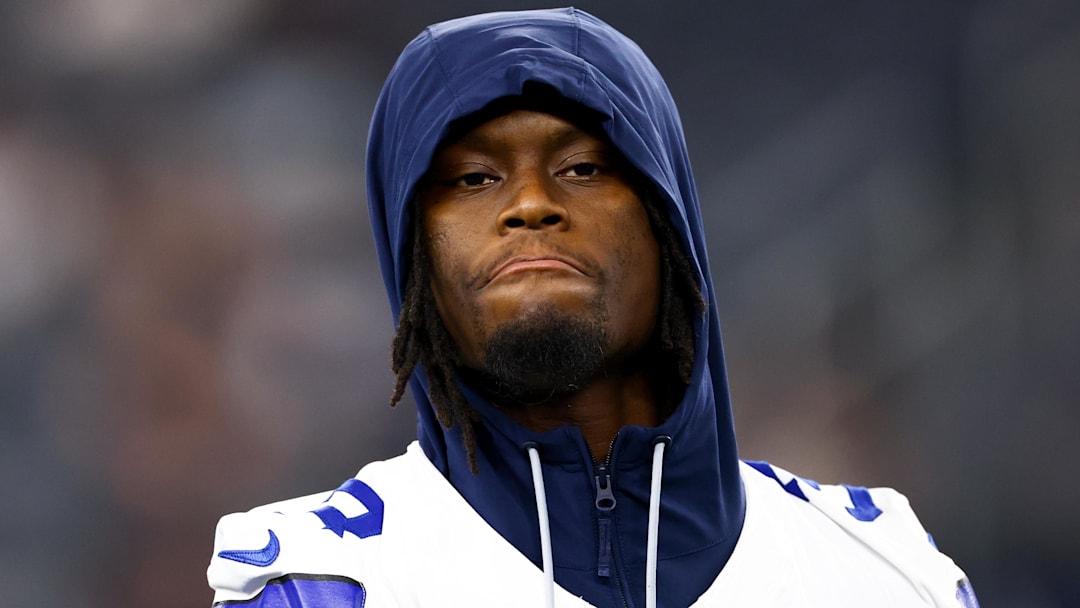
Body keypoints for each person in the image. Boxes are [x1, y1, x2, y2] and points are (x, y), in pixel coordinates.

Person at [207, 8, 978, 607]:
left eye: (582, 167)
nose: (532, 205)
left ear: (667, 221)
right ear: (412, 257)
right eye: (474, 179)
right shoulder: (324, 581)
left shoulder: (882, 571)